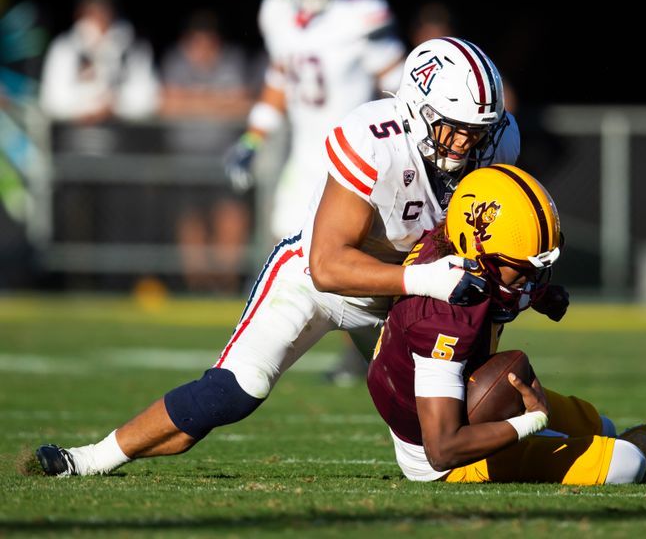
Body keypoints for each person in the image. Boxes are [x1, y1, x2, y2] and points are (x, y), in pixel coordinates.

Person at [34, 37, 523, 477]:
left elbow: (489, 231)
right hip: (315, 280)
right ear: (417, 111)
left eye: (477, 129)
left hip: (403, 293)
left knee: (453, 417)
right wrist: (426, 282)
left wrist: (525, 285)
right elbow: (329, 264)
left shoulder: (498, 143)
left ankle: (582, 439)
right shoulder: (376, 140)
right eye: (453, 128)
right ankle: (90, 459)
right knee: (232, 392)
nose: (466, 143)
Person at [368, 164, 646, 484]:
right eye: (522, 270)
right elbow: (442, 450)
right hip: (443, 455)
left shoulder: (456, 248)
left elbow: (504, 275)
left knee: (599, 426)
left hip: (469, 383)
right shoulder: (444, 318)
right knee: (626, 463)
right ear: (476, 253)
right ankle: (546, 436)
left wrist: (537, 294)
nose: (530, 282)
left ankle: (565, 437)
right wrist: (532, 422)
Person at [225, 0, 407, 383]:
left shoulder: (363, 12)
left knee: (353, 252)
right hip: (305, 157)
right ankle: (264, 347)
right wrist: (252, 138)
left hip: (354, 157)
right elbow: (280, 76)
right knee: (288, 252)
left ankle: (371, 353)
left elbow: (401, 84)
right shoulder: (275, 10)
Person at [160, 10, 253, 293]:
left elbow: (245, 104)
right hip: (186, 156)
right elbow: (166, 105)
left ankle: (224, 283)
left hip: (225, 157)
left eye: (208, 41)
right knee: (190, 220)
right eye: (197, 41)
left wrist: (193, 100)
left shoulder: (232, 60)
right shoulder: (175, 61)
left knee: (231, 215)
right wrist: (216, 102)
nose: (203, 47)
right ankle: (197, 285)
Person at [38, 0, 159, 124]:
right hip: (73, 136)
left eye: (104, 11)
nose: (99, 19)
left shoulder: (135, 46)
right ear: (80, 13)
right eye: (92, 12)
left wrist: (114, 105)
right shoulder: (64, 48)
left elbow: (148, 99)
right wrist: (88, 107)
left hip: (124, 135)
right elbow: (52, 100)